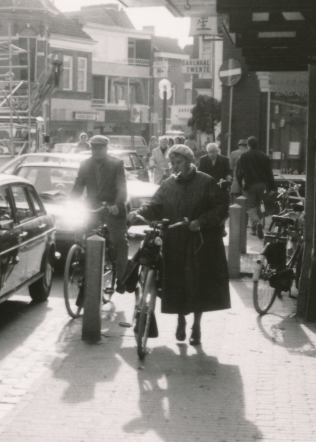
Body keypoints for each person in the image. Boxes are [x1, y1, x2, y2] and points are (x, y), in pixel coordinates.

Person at [129, 144, 230, 345]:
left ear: (189, 161)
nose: (174, 166)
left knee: (198, 284)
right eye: (172, 163)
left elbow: (221, 207)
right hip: (174, 242)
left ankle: (197, 325)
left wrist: (200, 222)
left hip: (199, 242)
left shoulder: (206, 181)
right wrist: (140, 213)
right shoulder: (168, 184)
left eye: (178, 162)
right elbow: (155, 205)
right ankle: (181, 321)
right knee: (177, 284)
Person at [71, 135, 128, 288]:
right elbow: (78, 187)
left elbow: (121, 187)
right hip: (92, 208)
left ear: (106, 148)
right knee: (81, 234)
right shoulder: (84, 164)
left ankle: (121, 279)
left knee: (119, 241)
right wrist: (70, 202)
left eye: (100, 147)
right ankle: (84, 267)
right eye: (93, 147)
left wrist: (117, 205)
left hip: (111, 208)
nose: (96, 150)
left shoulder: (116, 164)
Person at [235, 136, 276, 237]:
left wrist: (240, 185)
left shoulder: (243, 156)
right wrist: (272, 187)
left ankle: (256, 223)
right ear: (257, 145)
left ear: (248, 145)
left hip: (249, 185)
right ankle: (254, 230)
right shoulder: (264, 156)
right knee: (258, 205)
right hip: (262, 185)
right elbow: (269, 173)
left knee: (250, 207)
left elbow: (239, 173)